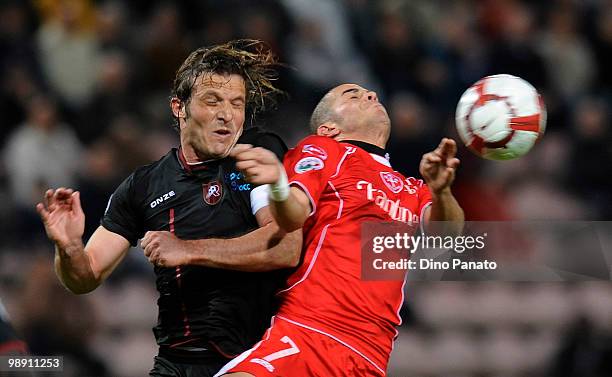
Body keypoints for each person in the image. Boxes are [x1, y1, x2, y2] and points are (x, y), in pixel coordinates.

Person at [36, 40, 301, 377]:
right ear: (179, 107)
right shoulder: (143, 185)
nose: (227, 114)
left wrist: (188, 250)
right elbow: (84, 277)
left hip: (253, 358)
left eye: (238, 104)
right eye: (212, 100)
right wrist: (69, 246)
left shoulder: (256, 153)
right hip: (175, 361)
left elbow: (286, 247)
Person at [217, 83, 464, 376]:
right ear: (328, 127)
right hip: (310, 328)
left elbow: (447, 235)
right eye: (352, 95)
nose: (371, 95)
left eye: (370, 93)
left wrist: (442, 191)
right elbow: (293, 214)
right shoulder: (326, 150)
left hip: (370, 354)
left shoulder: (411, 187)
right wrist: (279, 188)